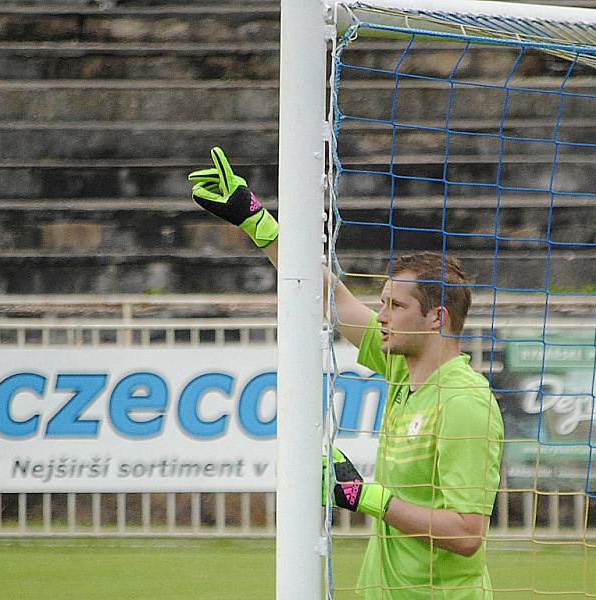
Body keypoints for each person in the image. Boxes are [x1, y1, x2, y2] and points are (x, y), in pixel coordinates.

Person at [189, 148, 505, 599]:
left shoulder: (465, 403)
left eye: (395, 306)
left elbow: (467, 533)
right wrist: (254, 219)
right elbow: (332, 296)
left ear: (437, 318)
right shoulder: (400, 365)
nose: (381, 315)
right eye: (382, 302)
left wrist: (364, 497)